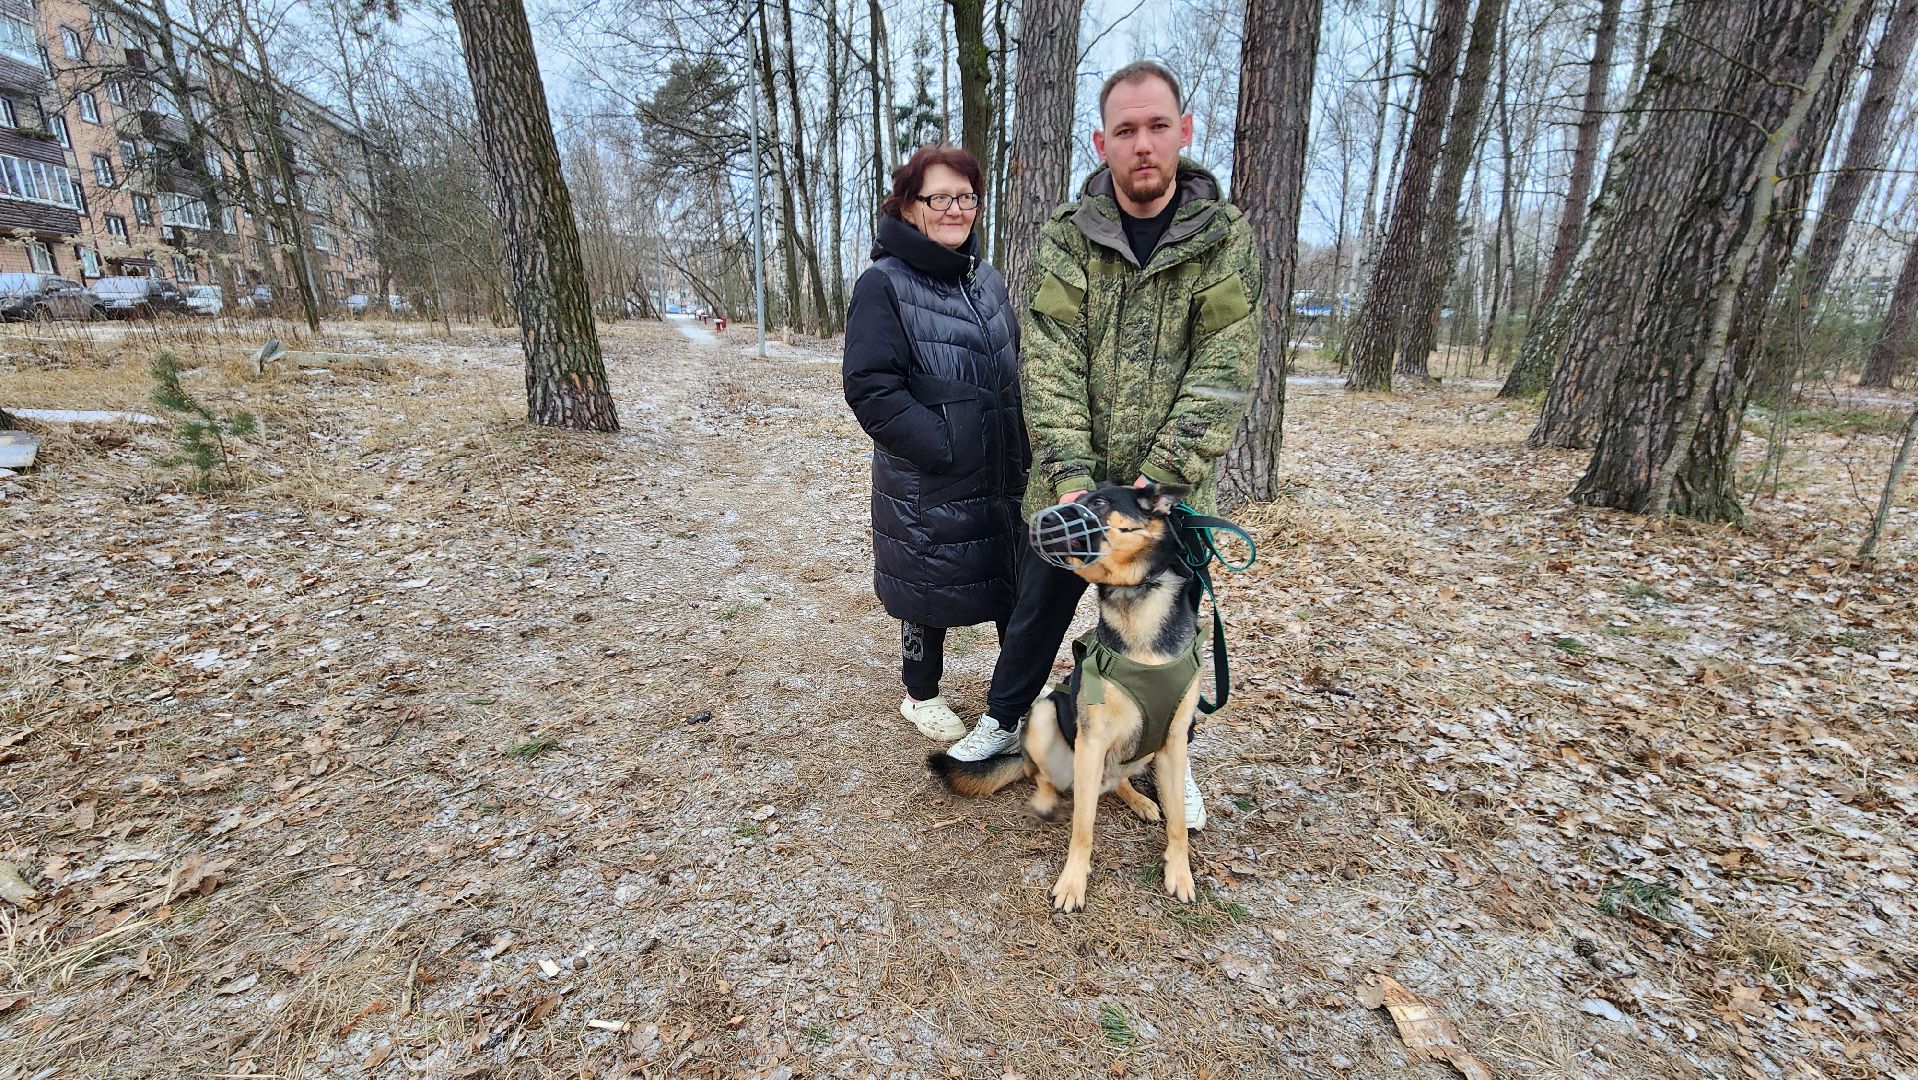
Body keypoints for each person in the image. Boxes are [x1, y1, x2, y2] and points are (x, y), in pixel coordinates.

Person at [943, 61, 1262, 832]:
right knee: (1035, 616)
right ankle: (1007, 716)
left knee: (1168, 639)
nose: (1143, 144)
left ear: (1184, 132)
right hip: (1070, 487)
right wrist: (1074, 480)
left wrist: (1160, 484)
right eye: (1126, 130)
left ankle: (1168, 757)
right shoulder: (1067, 235)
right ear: (1102, 141)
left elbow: (1224, 369)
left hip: (1169, 500)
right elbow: (1047, 361)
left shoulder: (1225, 241)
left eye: (1158, 126)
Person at [842, 144, 1028, 742]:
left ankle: (1016, 691)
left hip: (1002, 468)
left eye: (967, 197)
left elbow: (1016, 362)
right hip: (932, 473)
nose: (956, 209)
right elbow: (870, 386)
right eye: (940, 197)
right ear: (909, 206)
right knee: (927, 583)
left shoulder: (987, 279)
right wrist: (944, 444)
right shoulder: (884, 284)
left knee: (1008, 576)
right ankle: (920, 693)